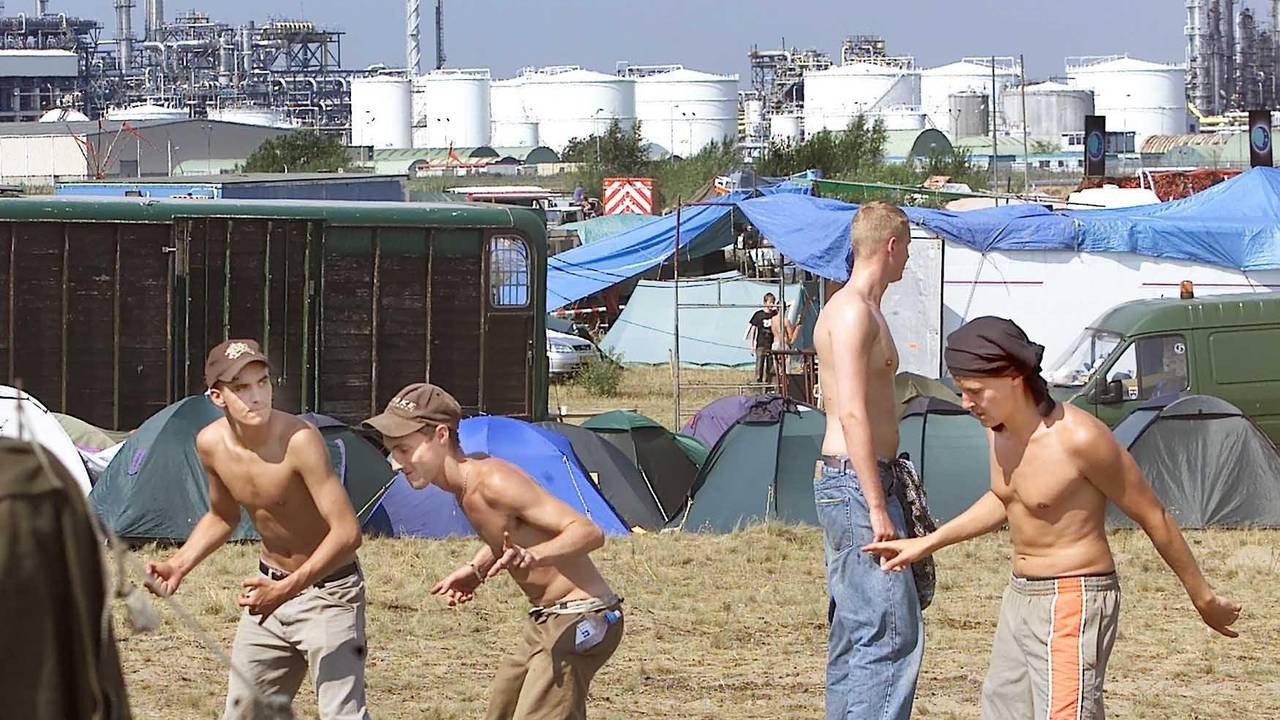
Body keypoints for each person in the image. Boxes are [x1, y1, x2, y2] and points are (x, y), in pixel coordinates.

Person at [864, 316, 1242, 720]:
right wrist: (926, 543)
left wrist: (1203, 598)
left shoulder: (1080, 439)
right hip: (1020, 597)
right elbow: (1007, 498)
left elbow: (1155, 516)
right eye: (961, 391)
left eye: (974, 391)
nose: (965, 403)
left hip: (1073, 597)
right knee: (1002, 712)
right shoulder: (997, 429)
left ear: (1013, 377)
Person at [365, 383, 623, 720]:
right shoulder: (464, 487)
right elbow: (509, 535)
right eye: (391, 451)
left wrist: (536, 557)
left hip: (586, 615)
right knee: (504, 706)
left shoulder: (493, 482)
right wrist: (475, 570)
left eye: (404, 450)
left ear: (441, 435)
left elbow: (589, 532)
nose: (395, 464)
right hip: (546, 619)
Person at [146, 339, 369, 720]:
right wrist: (179, 564)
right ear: (217, 396)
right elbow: (222, 516)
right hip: (267, 594)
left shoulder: (299, 440)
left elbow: (348, 533)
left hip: (330, 594)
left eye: (262, 383)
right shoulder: (210, 444)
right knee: (243, 713)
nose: (256, 397)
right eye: (241, 388)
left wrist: (286, 589)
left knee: (342, 715)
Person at [811, 201, 922, 720]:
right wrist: (878, 506)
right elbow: (853, 413)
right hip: (857, 482)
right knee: (889, 628)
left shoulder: (856, 308)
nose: (907, 261)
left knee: (856, 627)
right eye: (907, 249)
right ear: (891, 246)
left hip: (860, 480)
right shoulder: (853, 311)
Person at [745, 293, 779, 384]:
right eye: (770, 302)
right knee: (759, 365)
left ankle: (769, 385)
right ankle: (758, 383)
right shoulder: (758, 315)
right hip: (760, 344)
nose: (772, 304)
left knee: (770, 367)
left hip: (771, 345)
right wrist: (752, 345)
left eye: (773, 302)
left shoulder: (775, 315)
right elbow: (753, 329)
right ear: (765, 302)